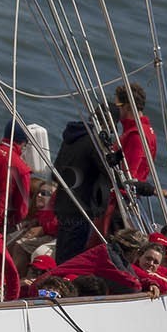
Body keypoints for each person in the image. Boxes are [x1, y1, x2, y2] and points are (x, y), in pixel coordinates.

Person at [50, 106, 120, 262]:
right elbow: (112, 176)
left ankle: (56, 282)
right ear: (109, 124)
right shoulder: (95, 143)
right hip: (81, 209)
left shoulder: (72, 137)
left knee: (62, 255)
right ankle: (61, 284)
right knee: (71, 260)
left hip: (64, 206)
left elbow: (56, 173)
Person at [115, 83, 158, 184]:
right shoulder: (145, 130)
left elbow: (129, 176)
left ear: (128, 107)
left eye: (118, 106)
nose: (115, 110)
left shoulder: (136, 136)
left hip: (120, 196)